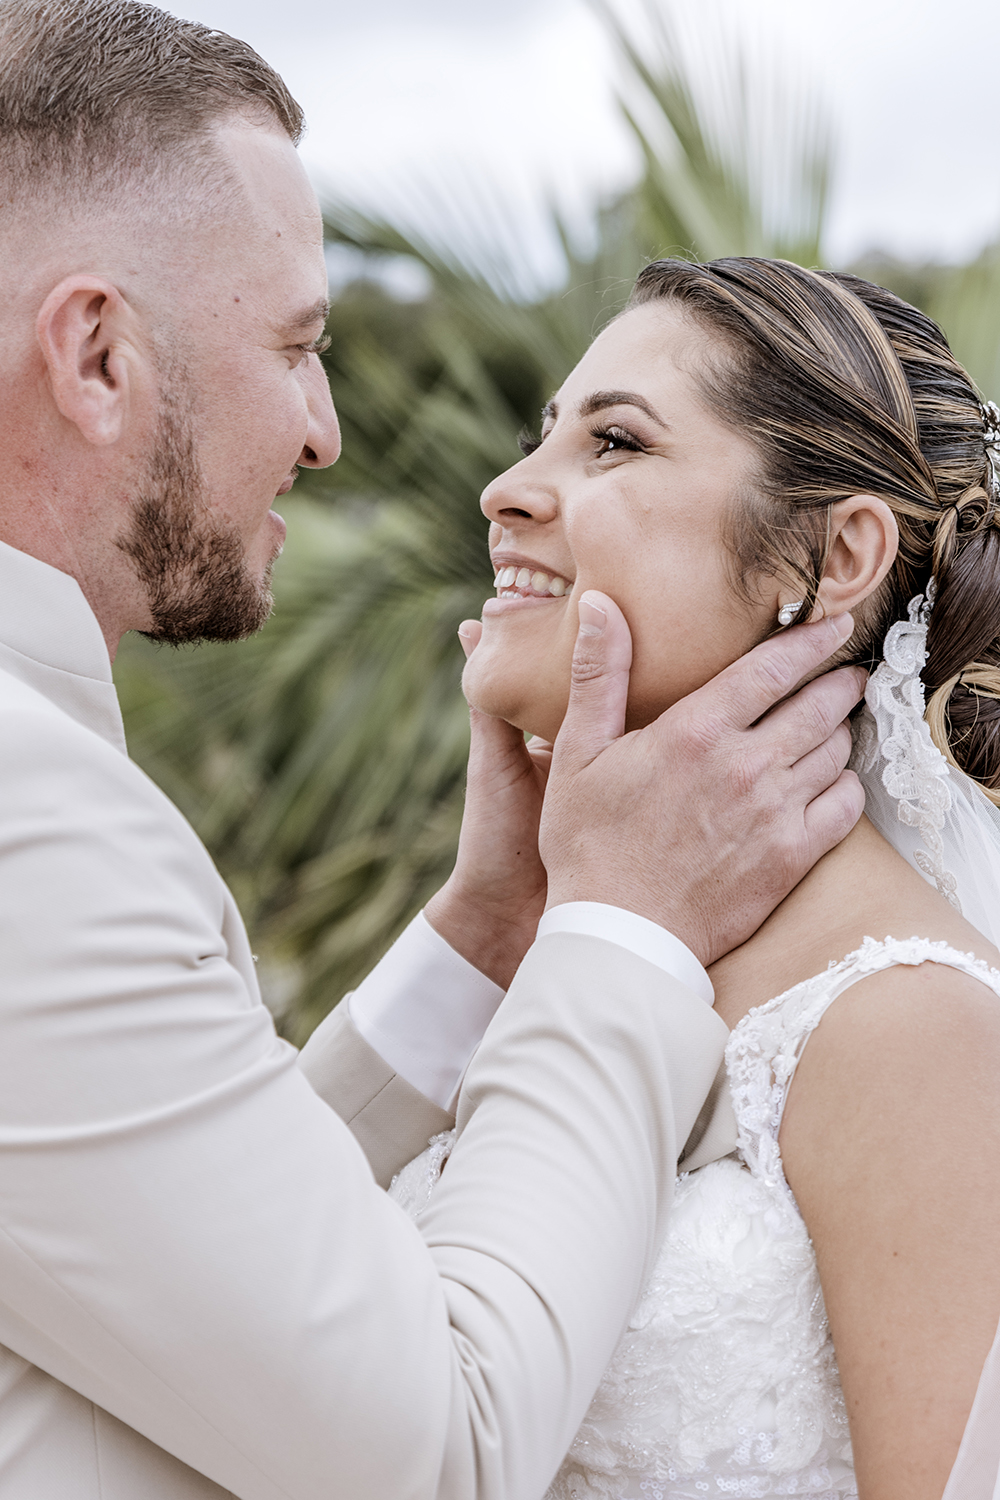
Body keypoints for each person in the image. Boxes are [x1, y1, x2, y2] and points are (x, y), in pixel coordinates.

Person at [0, 5, 868, 1498]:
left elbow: (168, 1242)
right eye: (296, 345)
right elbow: (439, 1450)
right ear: (94, 356)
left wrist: (490, 934)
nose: (325, 430)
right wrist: (624, 927)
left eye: (612, 441)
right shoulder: (35, 820)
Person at [392, 257, 1000, 1500]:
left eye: (613, 442)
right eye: (540, 435)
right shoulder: (557, 955)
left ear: (831, 557)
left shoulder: (911, 1026)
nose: (507, 490)